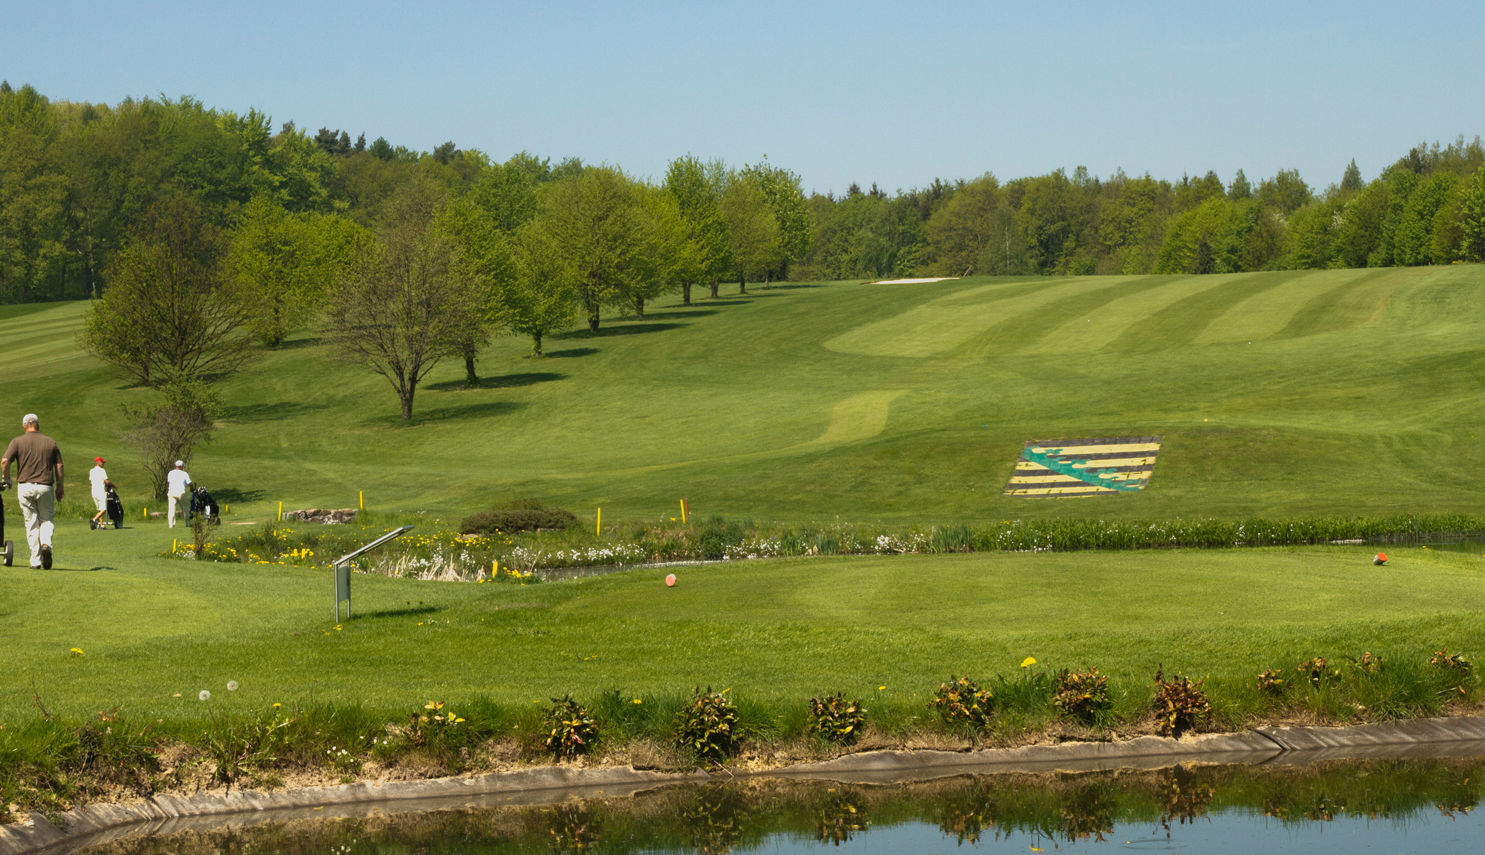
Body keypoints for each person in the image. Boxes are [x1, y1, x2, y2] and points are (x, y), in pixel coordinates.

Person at [1, 413, 64, 569]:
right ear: (38, 425)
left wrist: (6, 478)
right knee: (46, 519)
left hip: (25, 486)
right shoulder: (50, 442)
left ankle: (36, 560)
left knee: (31, 523)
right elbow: (59, 466)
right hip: (45, 486)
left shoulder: (17, 441)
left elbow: (4, 461)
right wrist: (60, 486)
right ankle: (46, 544)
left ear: (24, 426)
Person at [89, 457, 113, 530]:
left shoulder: (91, 471)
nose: (103, 464)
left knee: (99, 509)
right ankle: (93, 520)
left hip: (93, 492)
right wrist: (113, 485)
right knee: (104, 510)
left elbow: (90, 482)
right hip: (100, 492)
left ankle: (101, 525)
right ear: (98, 463)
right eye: (102, 462)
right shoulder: (102, 470)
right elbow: (107, 481)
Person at [166, 459, 192, 528]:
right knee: (185, 509)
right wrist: (192, 488)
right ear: (182, 466)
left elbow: (169, 482)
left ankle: (171, 524)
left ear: (176, 465)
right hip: (181, 493)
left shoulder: (170, 473)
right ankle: (187, 523)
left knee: (171, 509)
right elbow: (189, 483)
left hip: (171, 492)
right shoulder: (184, 473)